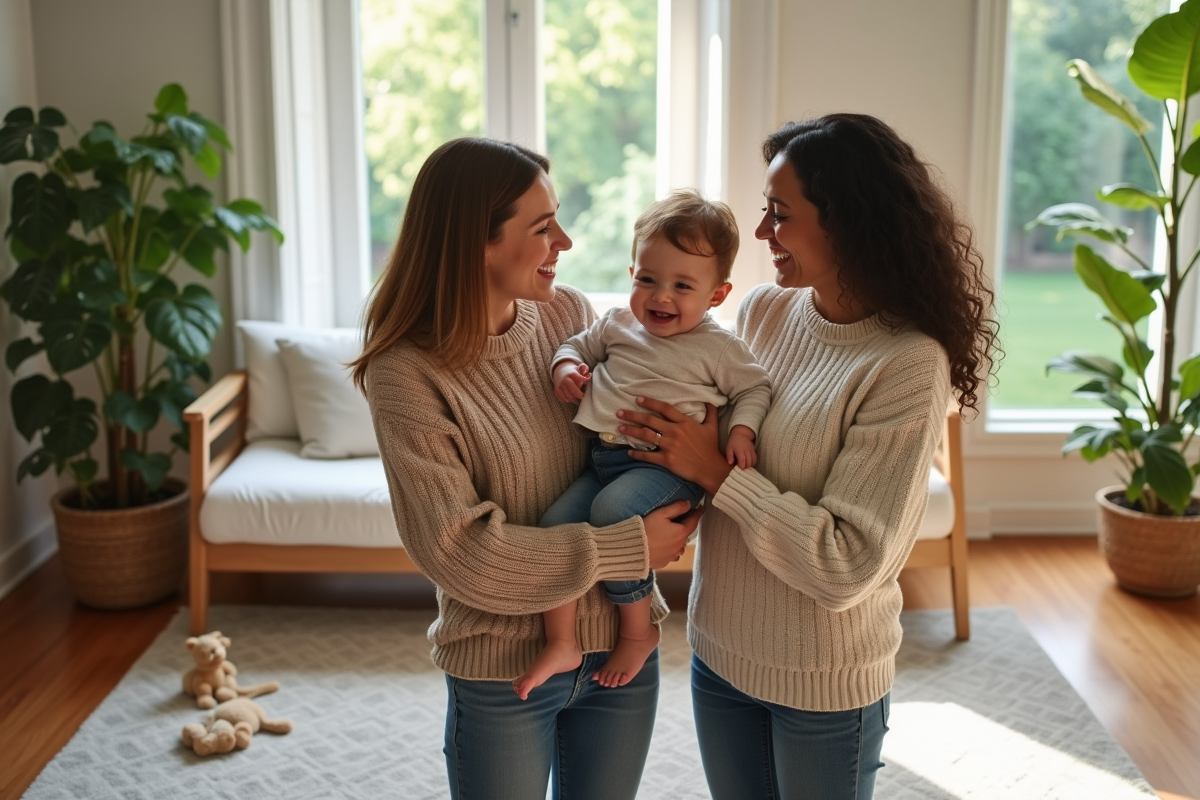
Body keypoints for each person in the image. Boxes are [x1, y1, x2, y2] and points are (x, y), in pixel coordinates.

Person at [614, 114, 1000, 800]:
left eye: (779, 215)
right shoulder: (763, 313)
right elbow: (706, 426)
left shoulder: (905, 364)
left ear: (847, 222)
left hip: (822, 684)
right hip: (720, 653)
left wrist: (714, 474)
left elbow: (846, 564)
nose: (761, 234)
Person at [350, 137, 702, 800]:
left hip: (621, 650)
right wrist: (629, 544)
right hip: (501, 666)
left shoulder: (566, 315)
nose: (564, 242)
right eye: (542, 228)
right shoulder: (406, 373)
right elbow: (460, 553)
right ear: (473, 243)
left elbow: (637, 441)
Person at [514, 189, 772, 700]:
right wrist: (565, 368)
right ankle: (561, 641)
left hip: (664, 470)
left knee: (613, 511)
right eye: (647, 280)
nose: (661, 297)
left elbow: (755, 388)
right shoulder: (616, 324)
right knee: (553, 527)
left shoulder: (718, 348)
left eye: (682, 286)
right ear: (631, 272)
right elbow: (574, 346)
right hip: (604, 458)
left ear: (717, 295)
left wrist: (742, 429)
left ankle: (637, 631)